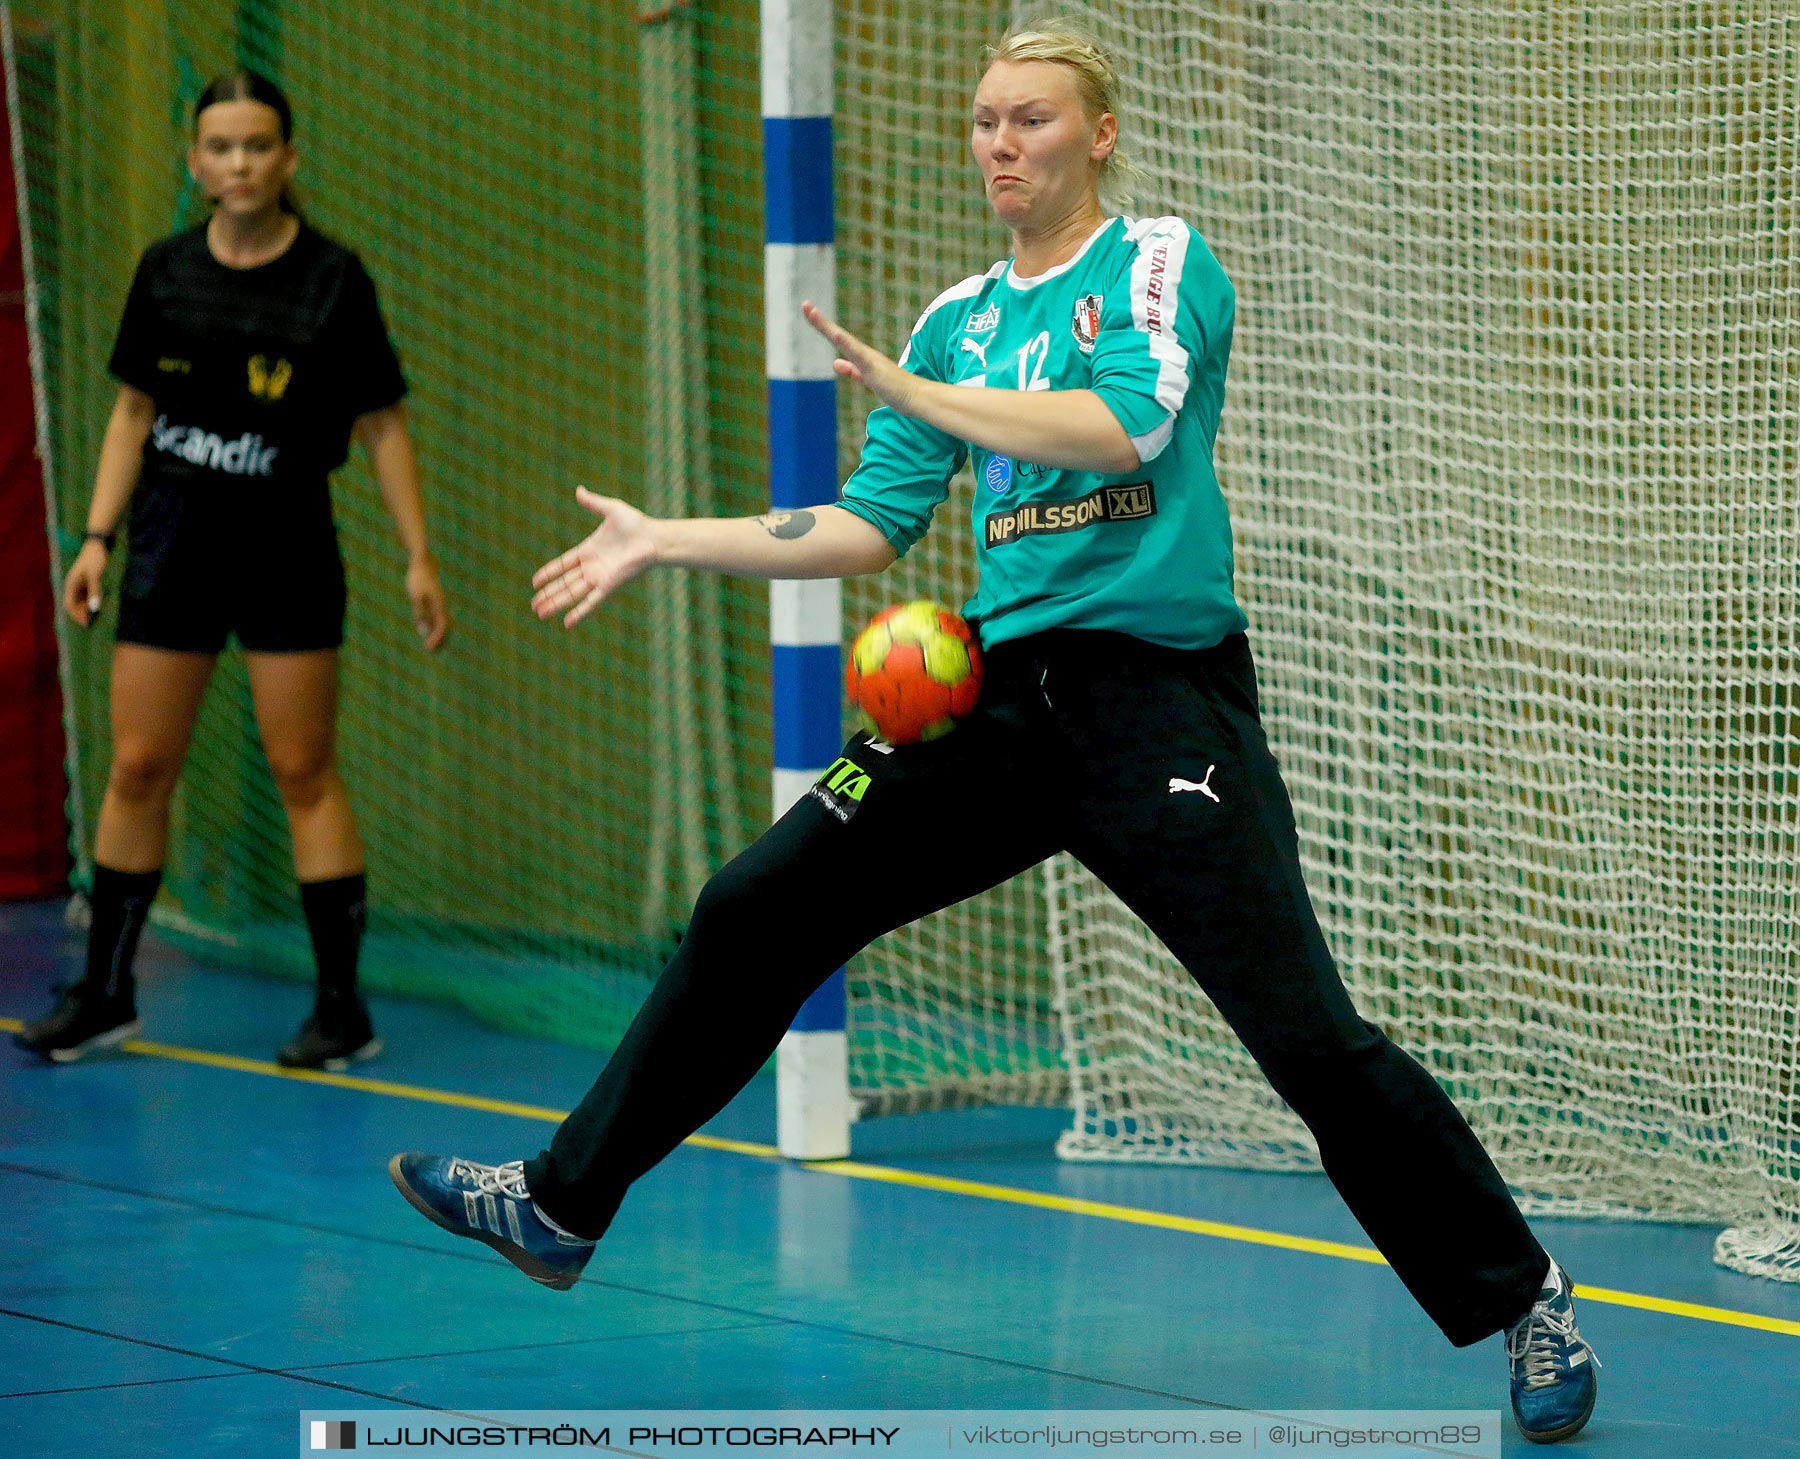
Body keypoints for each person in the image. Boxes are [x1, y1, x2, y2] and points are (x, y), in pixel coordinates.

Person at [387, 25, 1596, 1444]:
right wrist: (670, 538)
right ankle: (560, 1201)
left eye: (1031, 118)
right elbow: (866, 521)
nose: (1001, 144)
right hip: (987, 697)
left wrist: (922, 399)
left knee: (1305, 1035)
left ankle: (1528, 1300)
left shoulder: (1156, 261)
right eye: (983, 122)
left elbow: (1126, 428)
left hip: (1157, 697)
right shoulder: (954, 319)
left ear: (1099, 134)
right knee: (757, 900)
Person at [15, 69, 448, 1071]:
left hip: (286, 551)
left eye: (258, 146)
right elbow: (133, 414)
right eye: (221, 147)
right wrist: (94, 539)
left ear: (288, 160)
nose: (240, 163)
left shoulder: (334, 280)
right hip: (171, 549)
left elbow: (382, 425)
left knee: (304, 768)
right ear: (195, 160)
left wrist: (419, 557)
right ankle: (106, 990)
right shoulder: (165, 272)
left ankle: (342, 1008)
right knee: (137, 763)